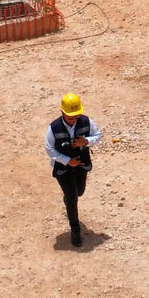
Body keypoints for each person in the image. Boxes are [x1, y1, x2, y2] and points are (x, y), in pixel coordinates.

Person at [46, 93, 101, 247]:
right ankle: (75, 229)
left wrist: (87, 141)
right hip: (63, 169)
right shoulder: (53, 128)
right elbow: (49, 149)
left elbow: (97, 135)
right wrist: (67, 161)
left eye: (76, 116)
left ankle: (69, 199)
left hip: (81, 165)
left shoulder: (87, 121)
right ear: (62, 112)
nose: (74, 119)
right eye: (71, 117)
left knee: (79, 192)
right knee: (72, 197)